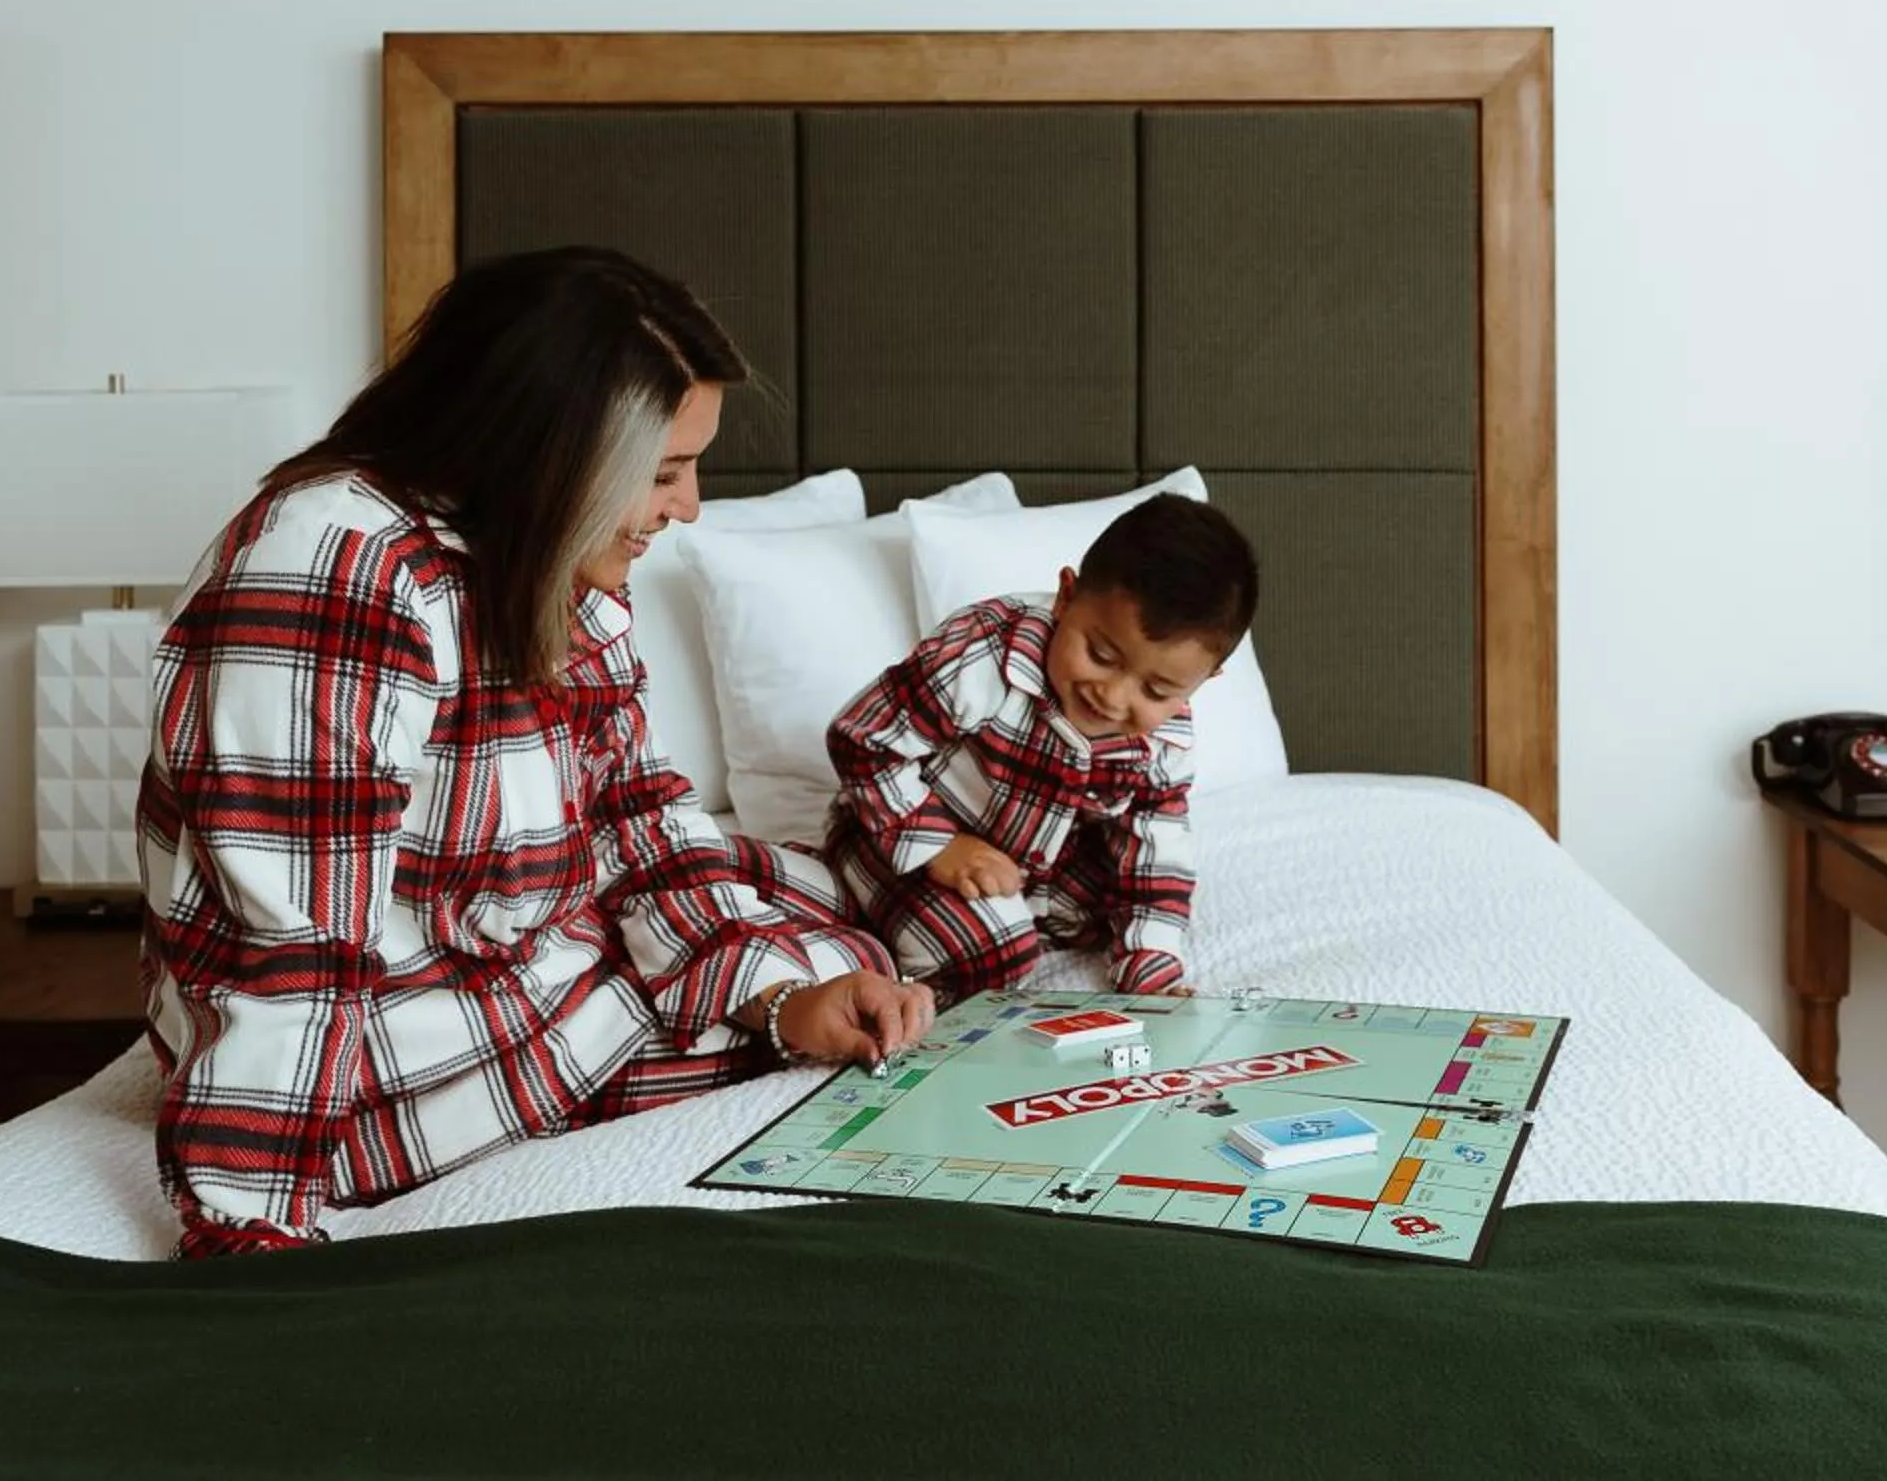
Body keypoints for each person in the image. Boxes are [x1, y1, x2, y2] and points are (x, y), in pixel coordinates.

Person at [135, 247, 934, 1258]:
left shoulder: (548, 565)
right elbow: (288, 945)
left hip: (547, 984)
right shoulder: (331, 571)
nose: (687, 510)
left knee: (858, 978)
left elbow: (638, 815)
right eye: (662, 474)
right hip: (399, 1065)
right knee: (852, 967)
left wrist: (776, 1002)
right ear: (549, 452)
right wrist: (251, 1231)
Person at [820, 493, 1259, 1000]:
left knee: (1143, 894)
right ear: (1066, 597)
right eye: (1100, 654)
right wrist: (941, 846)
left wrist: (1150, 968)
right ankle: (878, 945)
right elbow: (862, 739)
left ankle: (1017, 920)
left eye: (1156, 691)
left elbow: (1153, 849)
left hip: (1037, 865)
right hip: (901, 827)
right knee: (996, 951)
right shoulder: (980, 655)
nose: (1113, 698)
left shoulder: (1164, 740)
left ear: (1203, 680)